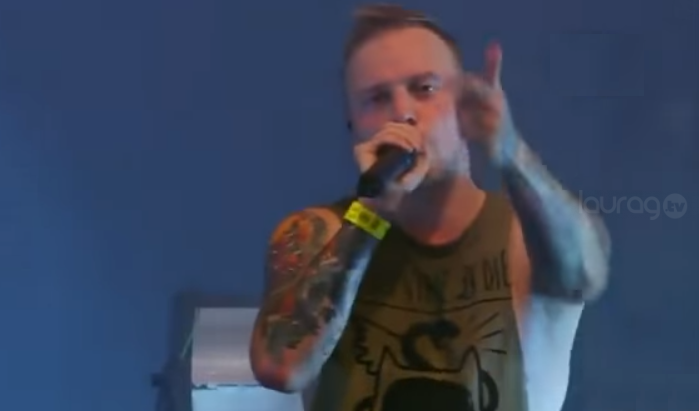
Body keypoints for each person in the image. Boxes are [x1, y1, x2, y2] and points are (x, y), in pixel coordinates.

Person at [249, 4, 611, 411]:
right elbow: (279, 368)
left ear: (465, 104)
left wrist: (512, 154)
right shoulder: (319, 231)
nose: (402, 112)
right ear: (353, 124)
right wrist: (369, 217)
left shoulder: (523, 234)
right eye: (377, 98)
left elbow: (586, 275)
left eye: (425, 88)